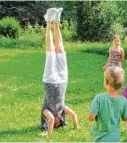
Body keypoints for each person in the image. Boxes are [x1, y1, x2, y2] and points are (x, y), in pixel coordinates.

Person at [41, 8, 78, 136]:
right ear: (61, 120)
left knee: (50, 51)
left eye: (56, 124)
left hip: (50, 80)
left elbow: (50, 120)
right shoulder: (62, 111)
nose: (56, 123)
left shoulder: (46, 112)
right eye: (59, 123)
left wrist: (48, 135)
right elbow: (73, 115)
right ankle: (56, 21)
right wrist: (75, 127)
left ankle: (48, 23)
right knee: (61, 50)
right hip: (63, 80)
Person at [88, 66, 127, 142]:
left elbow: (90, 117)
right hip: (115, 138)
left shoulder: (99, 98)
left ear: (106, 81)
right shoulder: (124, 100)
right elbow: (125, 118)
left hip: (100, 139)